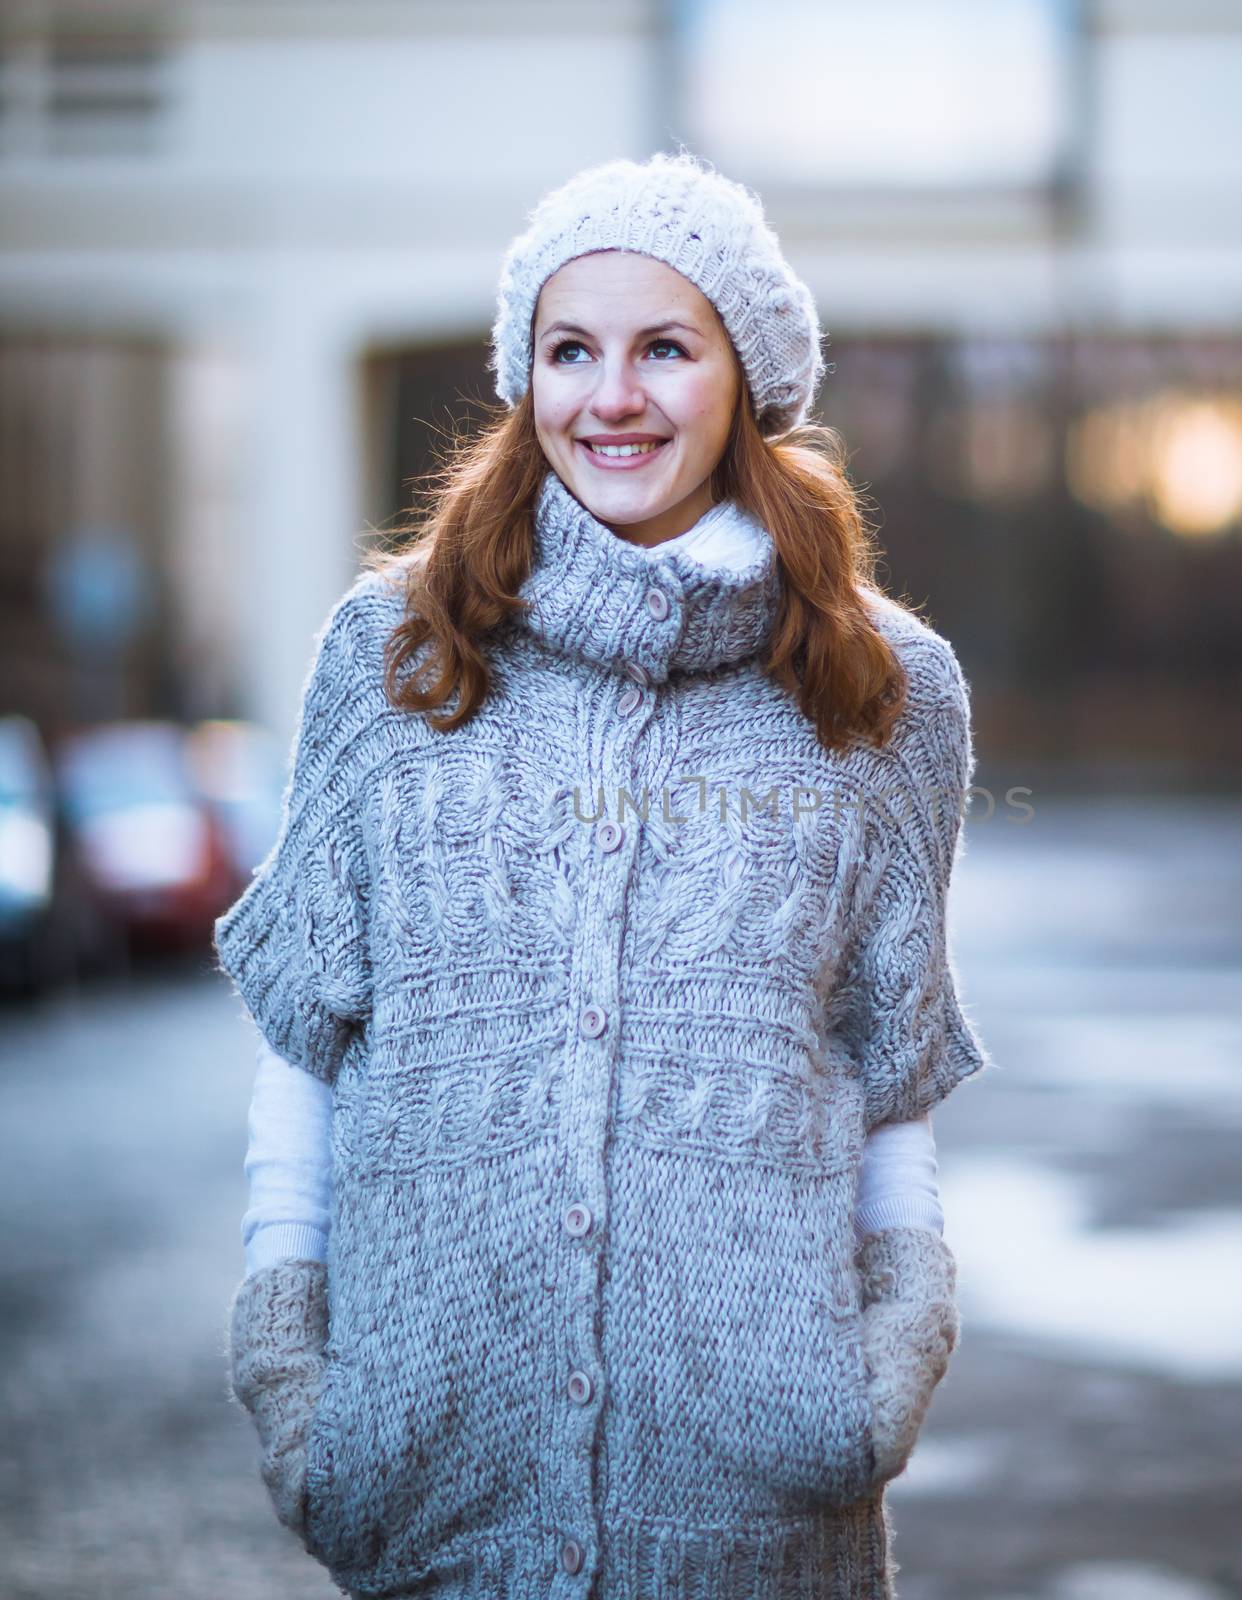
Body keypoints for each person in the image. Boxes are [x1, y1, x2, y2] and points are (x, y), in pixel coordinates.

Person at [217, 148, 993, 1600]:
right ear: (526, 379)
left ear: (745, 379)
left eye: (663, 349)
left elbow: (890, 1082)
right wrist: (300, 1391)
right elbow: (305, 1053)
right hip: (435, 1486)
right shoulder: (395, 662)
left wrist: (880, 1378)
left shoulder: (882, 689)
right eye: (570, 350)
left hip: (762, 1511)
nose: (611, 396)